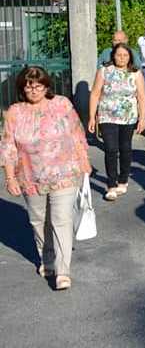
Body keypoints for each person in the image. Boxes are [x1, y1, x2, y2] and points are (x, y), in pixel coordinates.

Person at [1, 66, 92, 290]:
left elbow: (77, 133)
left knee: (61, 219)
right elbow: (8, 147)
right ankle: (47, 258)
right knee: (39, 220)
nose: (34, 90)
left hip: (64, 172)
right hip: (30, 176)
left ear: (46, 86)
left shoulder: (62, 104)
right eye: (29, 85)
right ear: (22, 88)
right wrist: (10, 178)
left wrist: (84, 162)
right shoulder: (14, 112)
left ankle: (63, 271)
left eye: (39, 85)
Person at [87, 44, 145, 201]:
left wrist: (142, 118)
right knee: (110, 149)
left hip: (128, 116)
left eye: (125, 55)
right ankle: (111, 184)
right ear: (113, 56)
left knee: (125, 148)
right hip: (107, 115)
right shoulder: (104, 71)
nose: (122, 58)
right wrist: (92, 117)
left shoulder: (135, 73)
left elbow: (141, 96)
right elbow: (95, 94)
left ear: (130, 57)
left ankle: (123, 179)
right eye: (119, 55)